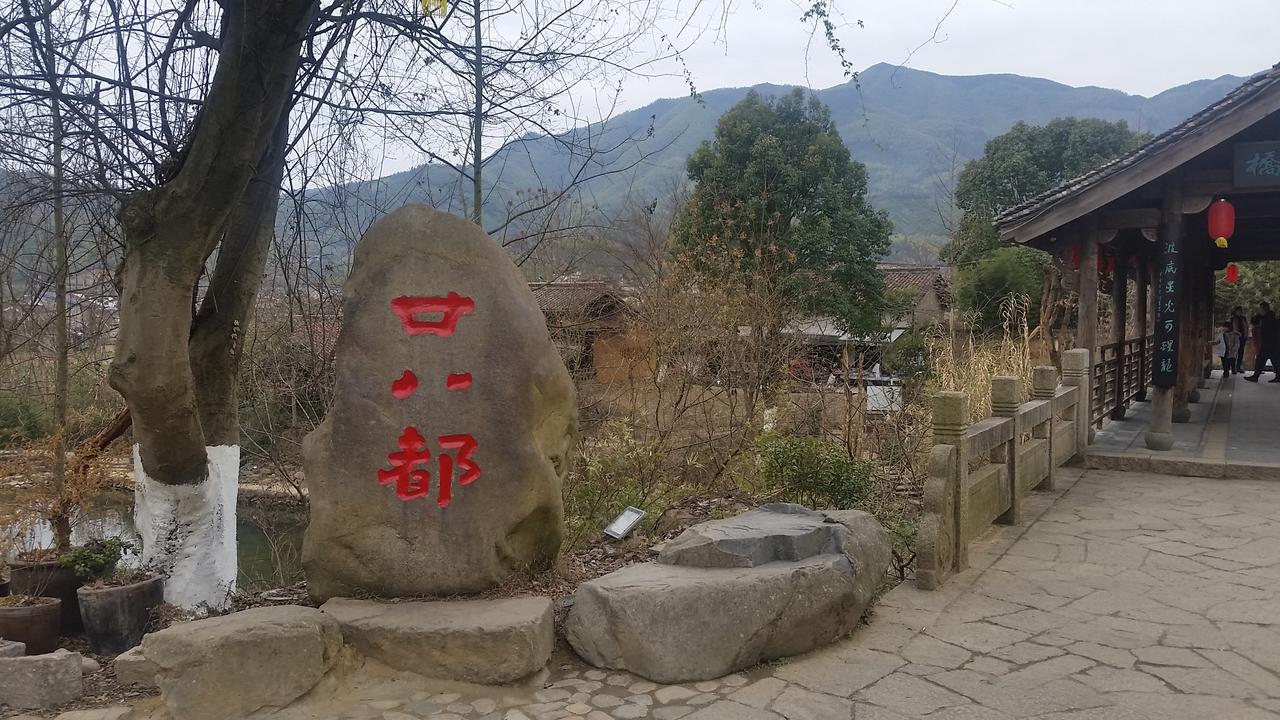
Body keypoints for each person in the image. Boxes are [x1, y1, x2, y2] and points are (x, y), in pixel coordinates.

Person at [1246, 302, 1280, 382]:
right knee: (1274, 361)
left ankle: (1255, 377)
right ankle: (1257, 376)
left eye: (1261, 309)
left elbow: (1266, 331)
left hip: (1269, 344)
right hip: (1273, 344)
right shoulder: (1272, 318)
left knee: (1261, 360)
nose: (1260, 311)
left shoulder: (1267, 319)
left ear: (1264, 309)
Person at [1232, 306, 1250, 373]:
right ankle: (1233, 368)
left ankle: (1238, 367)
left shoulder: (1243, 318)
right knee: (1234, 353)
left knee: (1241, 352)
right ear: (1236, 311)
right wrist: (1238, 333)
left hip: (1242, 337)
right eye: (1239, 310)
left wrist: (1246, 335)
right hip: (1235, 337)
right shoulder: (1234, 318)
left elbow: (1246, 327)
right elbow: (1234, 328)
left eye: (1241, 311)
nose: (1240, 312)